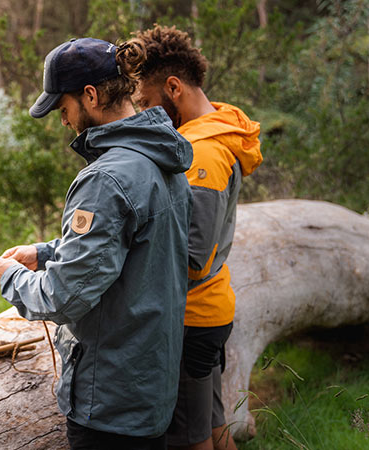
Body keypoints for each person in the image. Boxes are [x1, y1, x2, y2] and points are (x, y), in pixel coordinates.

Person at [0, 37, 193, 450]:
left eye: (63, 108)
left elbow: (64, 297)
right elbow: (134, 249)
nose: (63, 120)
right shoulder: (164, 160)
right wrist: (44, 253)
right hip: (151, 387)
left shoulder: (105, 178)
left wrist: (11, 278)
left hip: (110, 403)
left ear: (91, 96)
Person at [117, 25, 263, 450]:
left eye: (145, 102)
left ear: (174, 87)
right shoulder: (215, 132)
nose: (143, 113)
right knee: (215, 429)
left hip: (192, 317)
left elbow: (194, 256)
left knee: (189, 440)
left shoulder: (202, 153)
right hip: (208, 309)